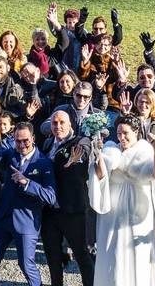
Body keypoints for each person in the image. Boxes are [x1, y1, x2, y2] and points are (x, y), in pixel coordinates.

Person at [88, 114, 155, 286]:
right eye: (118, 133)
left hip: (138, 211)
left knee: (137, 253)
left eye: (125, 133)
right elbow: (101, 175)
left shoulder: (145, 150)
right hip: (113, 211)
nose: (121, 137)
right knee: (113, 252)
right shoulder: (111, 149)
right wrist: (97, 154)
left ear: (136, 132)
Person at [0, 122, 58, 286]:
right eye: (18, 141)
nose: (22, 145)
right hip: (2, 218)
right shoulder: (11, 154)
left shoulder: (43, 163)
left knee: (26, 265)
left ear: (33, 138)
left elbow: (51, 197)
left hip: (26, 222)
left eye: (25, 141)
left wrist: (27, 183)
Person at [40, 110, 95, 286]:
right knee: (53, 256)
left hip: (72, 210)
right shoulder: (48, 143)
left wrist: (75, 160)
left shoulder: (80, 141)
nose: (58, 126)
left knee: (82, 256)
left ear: (70, 123)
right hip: (49, 211)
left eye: (62, 122)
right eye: (55, 123)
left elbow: (85, 152)